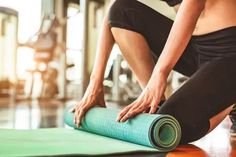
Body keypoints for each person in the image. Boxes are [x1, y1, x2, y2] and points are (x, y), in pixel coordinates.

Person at [71, 0, 236, 144]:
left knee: (168, 125)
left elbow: (194, 2)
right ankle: (155, 104)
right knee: (122, 11)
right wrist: (95, 84)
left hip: (229, 51)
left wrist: (160, 73)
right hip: (195, 47)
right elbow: (112, 14)